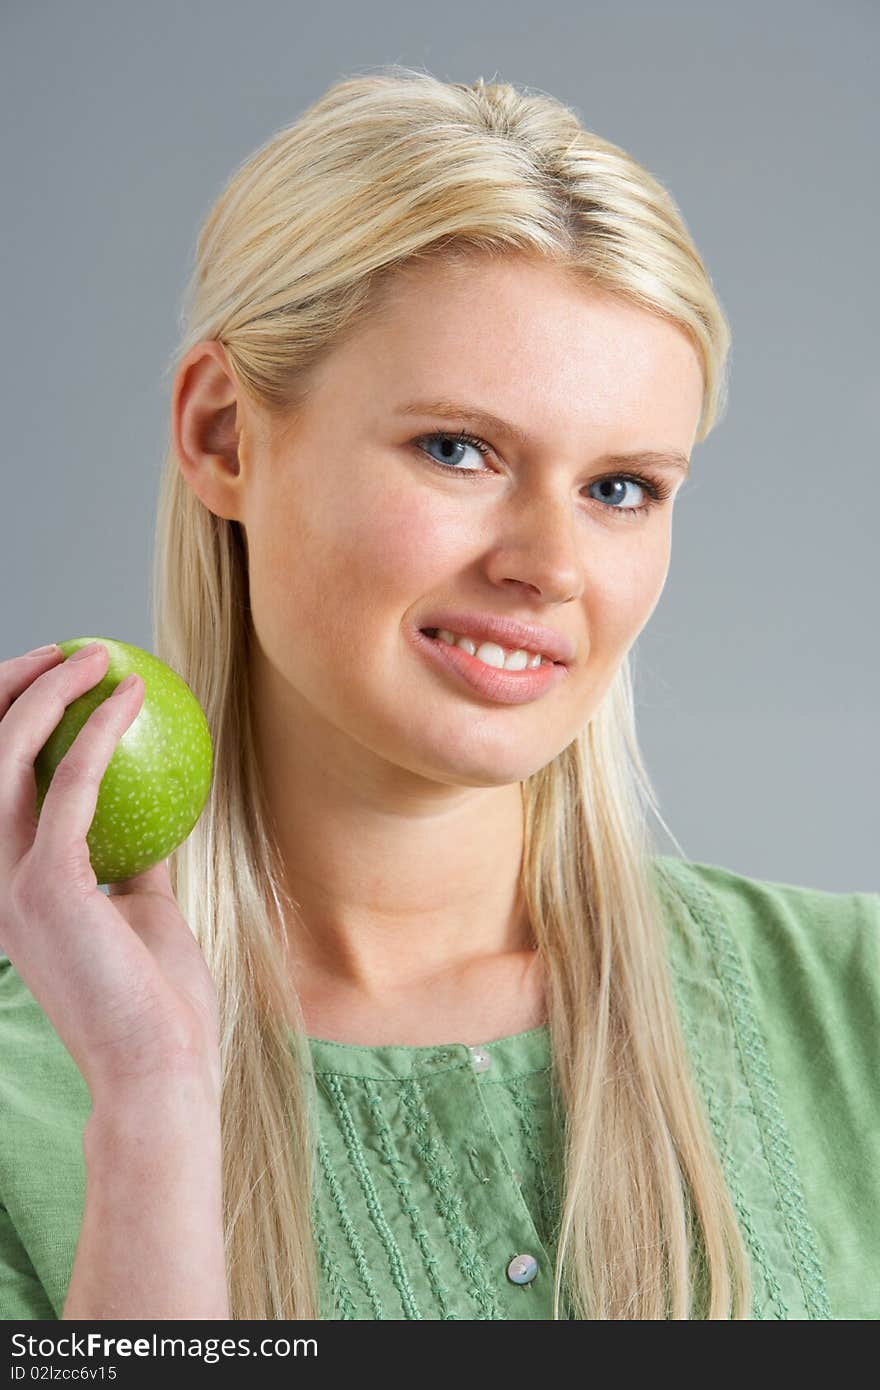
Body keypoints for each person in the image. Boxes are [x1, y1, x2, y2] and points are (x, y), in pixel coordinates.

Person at [1, 67, 878, 1323]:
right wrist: (152, 1109)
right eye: (458, 449)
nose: (550, 565)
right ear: (221, 436)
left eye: (621, 487)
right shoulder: (29, 1084)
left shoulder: (853, 1004)